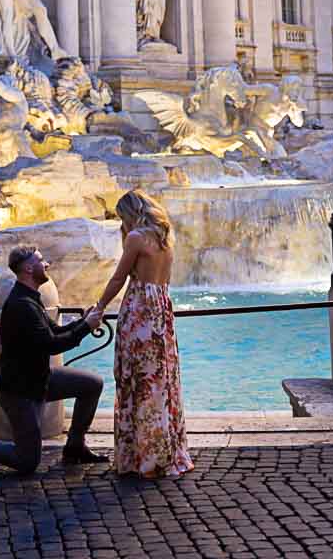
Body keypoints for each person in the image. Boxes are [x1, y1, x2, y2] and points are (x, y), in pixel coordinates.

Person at [0, 246, 107, 474]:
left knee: (92, 384)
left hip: (40, 380)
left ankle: (75, 447)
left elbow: (54, 332)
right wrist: (86, 327)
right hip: (19, 392)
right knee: (27, 462)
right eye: (41, 261)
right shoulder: (22, 305)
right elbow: (52, 345)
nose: (47, 265)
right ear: (28, 268)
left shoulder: (31, 299)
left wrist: (82, 322)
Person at [93, 190, 194, 478]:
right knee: (161, 381)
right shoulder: (165, 237)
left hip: (139, 313)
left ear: (129, 213)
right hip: (161, 312)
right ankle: (165, 453)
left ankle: (141, 458)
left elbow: (118, 278)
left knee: (137, 381)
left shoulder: (136, 238)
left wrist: (99, 307)